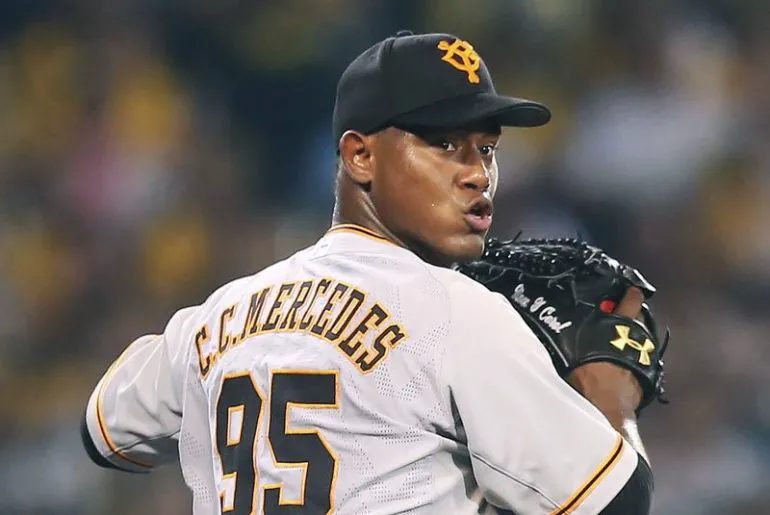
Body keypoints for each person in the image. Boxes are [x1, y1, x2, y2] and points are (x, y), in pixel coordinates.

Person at [82, 31, 652, 514]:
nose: (478, 173)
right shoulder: (458, 313)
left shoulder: (218, 315)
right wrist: (610, 395)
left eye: (486, 149)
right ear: (360, 156)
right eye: (445, 143)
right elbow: (615, 503)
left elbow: (103, 429)